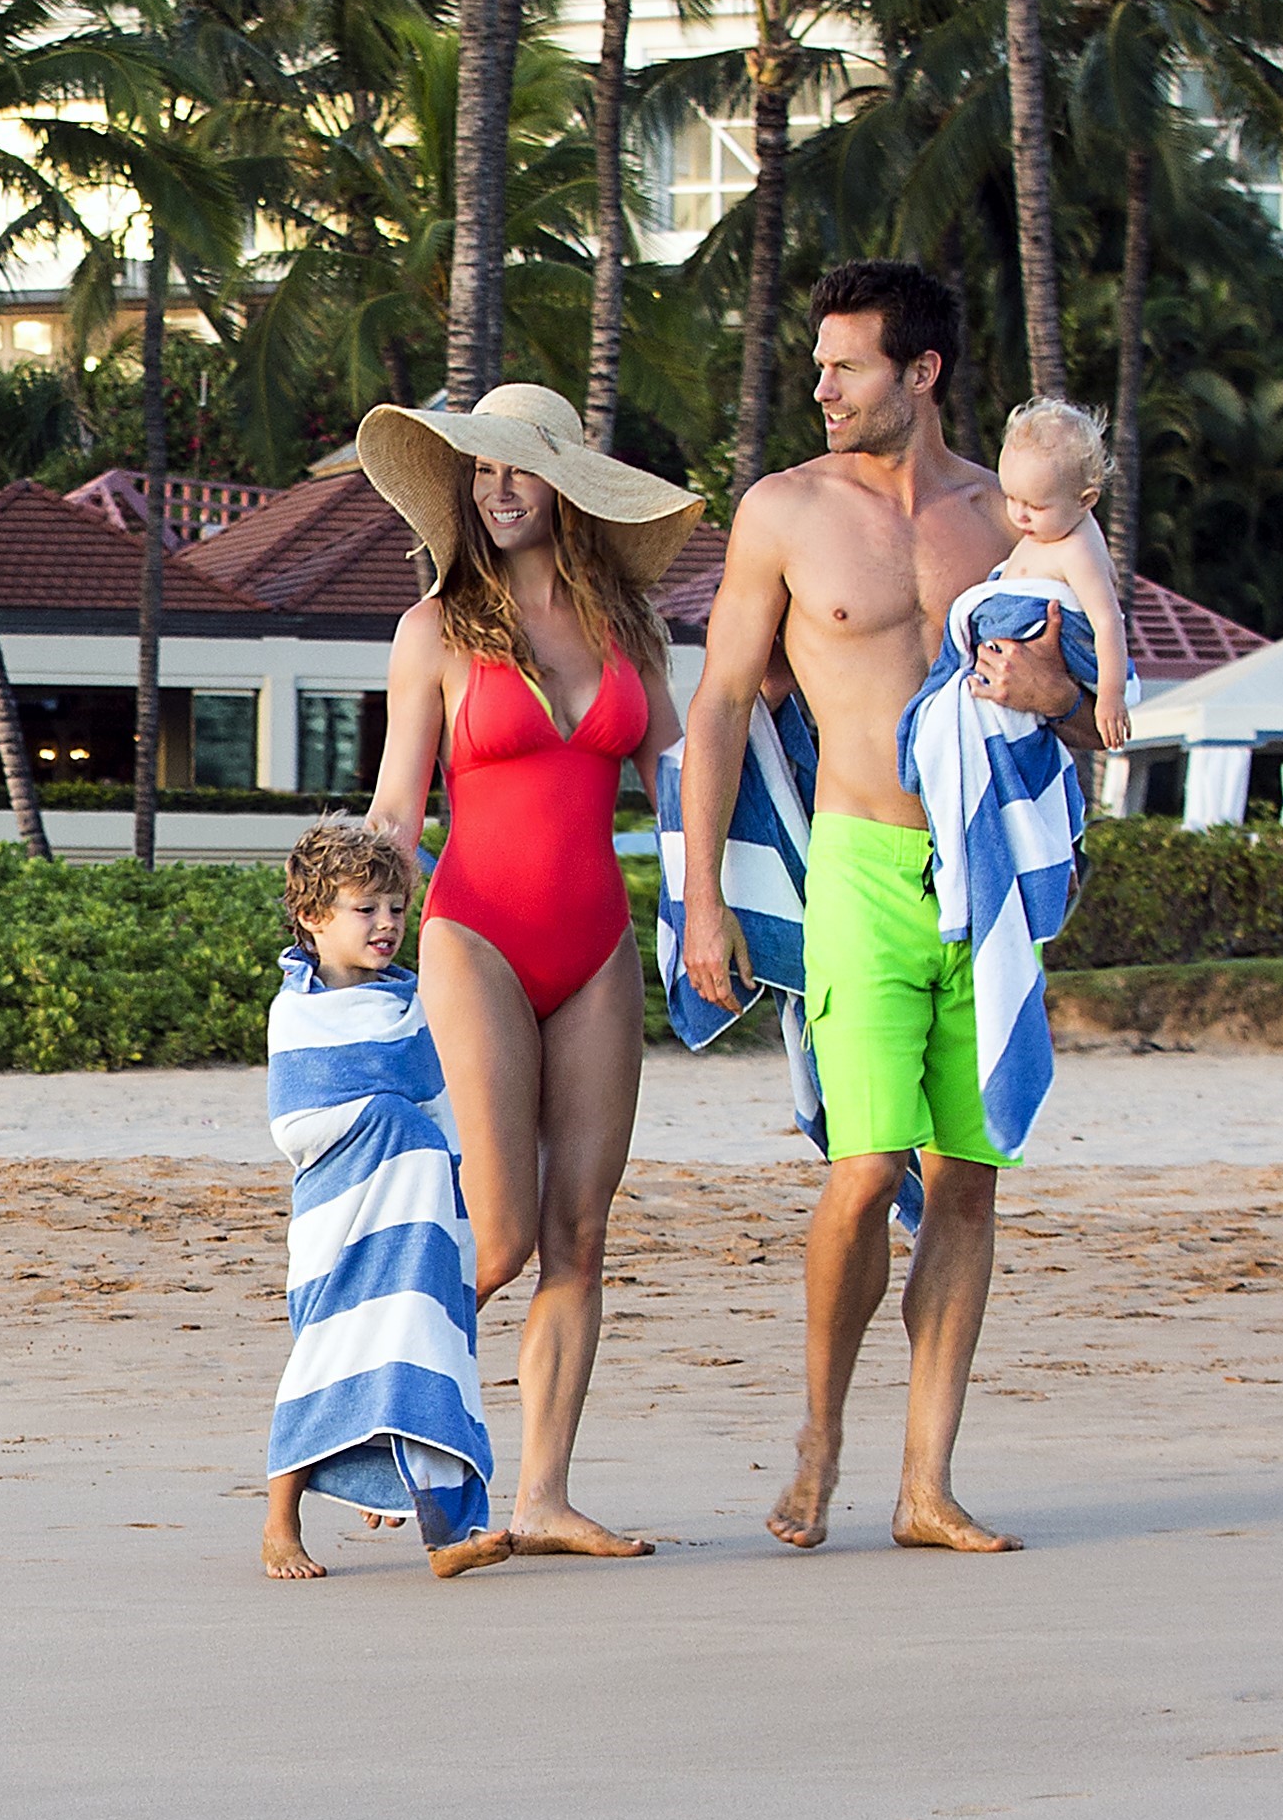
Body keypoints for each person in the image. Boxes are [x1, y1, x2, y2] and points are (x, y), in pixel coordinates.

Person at [670, 260, 1091, 1555]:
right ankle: (818, 1433)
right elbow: (722, 705)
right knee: (861, 1174)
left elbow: (1087, 705)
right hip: (855, 864)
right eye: (816, 365)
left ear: (920, 373)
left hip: (980, 881)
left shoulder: (1011, 523)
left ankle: (925, 1484)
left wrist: (1055, 701)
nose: (821, 388)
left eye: (844, 366)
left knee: (965, 1178)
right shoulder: (784, 512)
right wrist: (701, 906)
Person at [358, 381, 704, 1562]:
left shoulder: (630, 630)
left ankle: (544, 1497)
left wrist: (713, 903)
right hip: (476, 934)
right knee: (497, 1236)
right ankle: (386, 1421)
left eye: (522, 468)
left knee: (581, 1233)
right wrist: (349, 924)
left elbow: (680, 787)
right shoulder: (435, 632)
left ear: (566, 486)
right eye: (482, 469)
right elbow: (401, 805)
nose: (499, 488)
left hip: (598, 944)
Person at [263, 814, 506, 1583]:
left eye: (397, 907)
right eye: (365, 909)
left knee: (423, 1351)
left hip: (415, 1219)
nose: (388, 924)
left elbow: (439, 1112)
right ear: (313, 917)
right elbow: (296, 1122)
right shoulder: (298, 1011)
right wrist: (385, 1119)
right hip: (343, 1221)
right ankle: (279, 1525)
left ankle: (448, 1535)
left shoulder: (407, 1004)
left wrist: (438, 1176)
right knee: (329, 1357)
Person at [989, 402, 1133, 756]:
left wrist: (1111, 697)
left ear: (1085, 501)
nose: (1019, 515)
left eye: (1035, 506)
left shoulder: (1076, 548)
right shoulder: (1044, 531)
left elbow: (1107, 622)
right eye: (1011, 498)